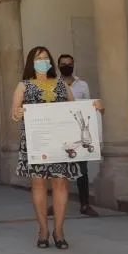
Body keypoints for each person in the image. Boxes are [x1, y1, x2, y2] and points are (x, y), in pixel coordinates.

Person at [11, 46, 103, 250]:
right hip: (36, 142)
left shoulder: (61, 84)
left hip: (61, 142)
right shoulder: (23, 85)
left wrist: (94, 106)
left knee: (60, 183)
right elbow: (14, 113)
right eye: (38, 58)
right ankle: (43, 230)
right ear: (31, 62)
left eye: (45, 58)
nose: (42, 62)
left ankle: (59, 230)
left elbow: (74, 108)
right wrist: (18, 113)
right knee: (39, 185)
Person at [48, 54, 99, 217]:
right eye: (63, 64)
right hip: (60, 130)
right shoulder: (52, 84)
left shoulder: (83, 85)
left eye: (69, 63)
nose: (66, 66)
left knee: (82, 169)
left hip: (78, 129)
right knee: (58, 169)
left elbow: (87, 105)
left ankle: (85, 204)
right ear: (58, 66)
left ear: (73, 65)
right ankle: (56, 204)